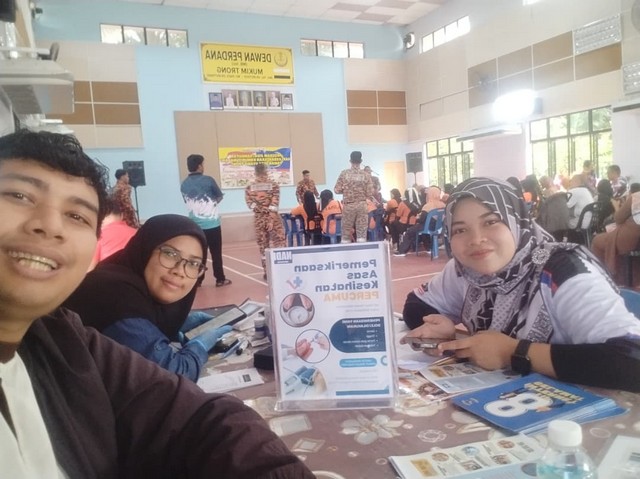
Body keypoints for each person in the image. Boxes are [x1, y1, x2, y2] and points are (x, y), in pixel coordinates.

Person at [0, 129, 313, 478]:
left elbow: (197, 418)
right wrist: (201, 342)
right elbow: (175, 375)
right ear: (144, 251)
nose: (50, 226)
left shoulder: (61, 340)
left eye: (77, 216)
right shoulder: (111, 300)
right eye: (20, 195)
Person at [400, 177, 640, 392]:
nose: (476, 240)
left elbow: (632, 359)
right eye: (460, 229)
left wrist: (513, 352)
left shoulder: (563, 270)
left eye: (491, 222)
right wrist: (439, 323)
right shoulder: (465, 269)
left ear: (517, 220)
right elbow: (415, 303)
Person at [65, 214, 235, 381]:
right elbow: (172, 377)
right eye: (170, 254)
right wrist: (199, 347)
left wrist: (172, 326)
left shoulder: (123, 278)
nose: (179, 271)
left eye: (193, 264)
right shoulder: (117, 299)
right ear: (145, 250)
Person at [180, 153, 231, 287]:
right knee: (216, 253)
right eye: (202, 164)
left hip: (195, 226)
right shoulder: (208, 180)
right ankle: (220, 279)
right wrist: (210, 204)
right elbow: (219, 196)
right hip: (212, 224)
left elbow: (187, 201)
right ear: (199, 166)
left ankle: (198, 280)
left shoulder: (184, 184)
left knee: (198, 254)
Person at [245, 162, 286, 279]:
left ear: (255, 172)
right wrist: (271, 219)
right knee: (279, 243)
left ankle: (267, 272)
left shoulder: (249, 187)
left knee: (263, 246)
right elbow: (274, 204)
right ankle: (281, 270)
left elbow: (250, 205)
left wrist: (261, 210)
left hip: (259, 219)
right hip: (273, 219)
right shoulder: (273, 185)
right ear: (266, 171)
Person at [591, 190, 640, 283]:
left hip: (631, 239)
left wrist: (616, 206)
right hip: (635, 239)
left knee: (597, 241)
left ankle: (605, 278)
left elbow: (618, 218)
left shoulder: (636, 197)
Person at [334, 151, 374, 243]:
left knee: (346, 236)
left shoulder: (344, 174)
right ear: (361, 161)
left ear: (350, 161)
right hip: (362, 205)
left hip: (349, 206)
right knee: (361, 236)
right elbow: (370, 193)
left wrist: (346, 190)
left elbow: (336, 190)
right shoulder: (366, 175)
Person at [88, 196, 137, 270]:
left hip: (107, 274)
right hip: (135, 275)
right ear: (121, 216)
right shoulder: (137, 233)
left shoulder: (99, 235)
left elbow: (89, 269)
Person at [395, 186, 445, 256]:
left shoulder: (428, 206)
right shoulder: (443, 205)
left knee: (409, 232)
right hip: (438, 227)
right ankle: (429, 248)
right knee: (424, 232)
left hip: (427, 227)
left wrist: (417, 217)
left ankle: (402, 251)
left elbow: (422, 219)